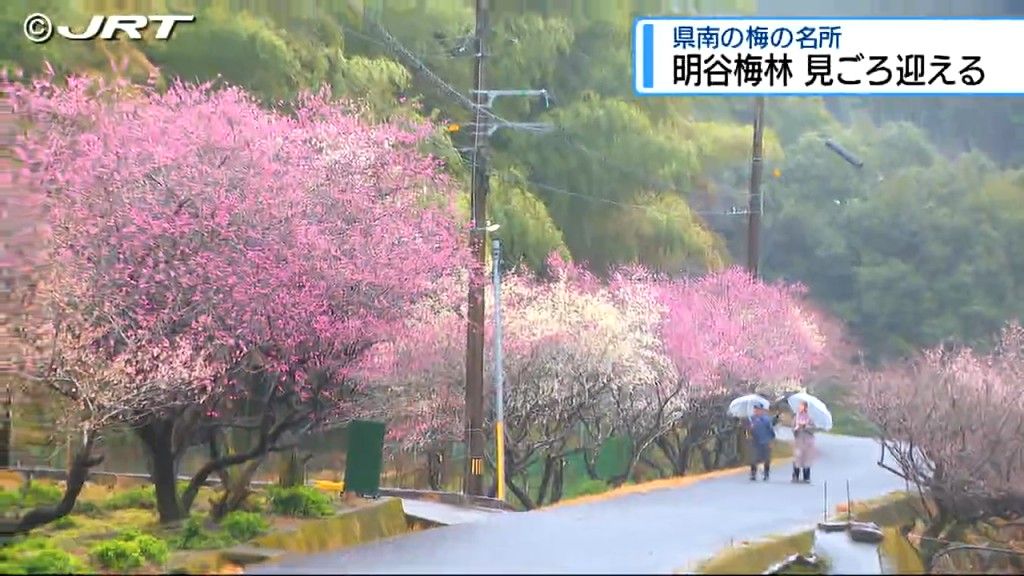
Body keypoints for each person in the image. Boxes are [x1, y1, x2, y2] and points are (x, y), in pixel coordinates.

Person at [748, 405, 775, 481]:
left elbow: (771, 430)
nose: (756, 411)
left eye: (758, 410)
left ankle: (766, 473)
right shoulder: (752, 419)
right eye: (755, 410)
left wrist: (771, 441)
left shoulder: (766, 419)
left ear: (762, 410)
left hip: (765, 441)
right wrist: (750, 428)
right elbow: (748, 431)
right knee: (754, 458)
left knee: (766, 458)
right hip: (755, 441)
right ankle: (753, 473)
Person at [792, 401, 817, 483]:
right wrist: (796, 428)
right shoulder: (796, 417)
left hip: (807, 441)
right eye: (800, 406)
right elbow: (793, 428)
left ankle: (806, 476)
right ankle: (795, 475)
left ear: (806, 407)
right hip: (799, 440)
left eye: (802, 406)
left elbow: (813, 429)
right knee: (797, 457)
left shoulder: (810, 417)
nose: (800, 408)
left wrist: (805, 426)